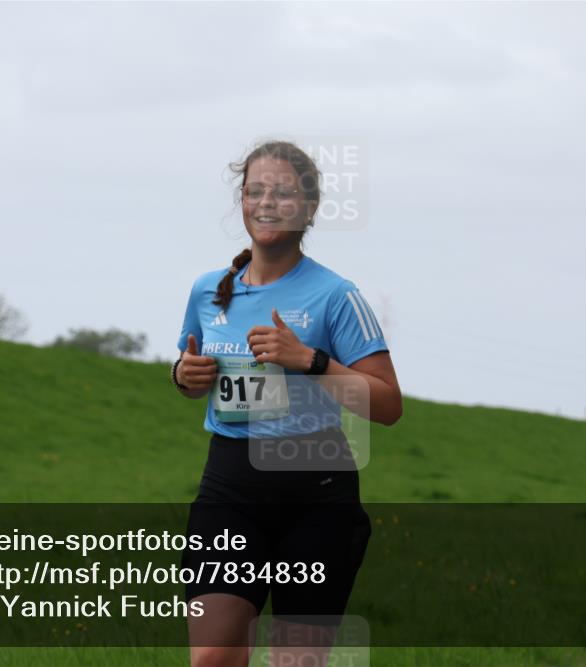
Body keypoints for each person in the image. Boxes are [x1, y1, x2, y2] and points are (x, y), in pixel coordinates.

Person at [171, 140, 402, 667]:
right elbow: (188, 371)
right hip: (229, 488)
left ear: (310, 208)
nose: (266, 202)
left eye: (281, 192)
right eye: (255, 191)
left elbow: (388, 405)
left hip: (316, 496)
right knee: (210, 658)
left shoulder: (335, 295)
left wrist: (311, 361)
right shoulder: (208, 291)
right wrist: (185, 375)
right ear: (242, 202)